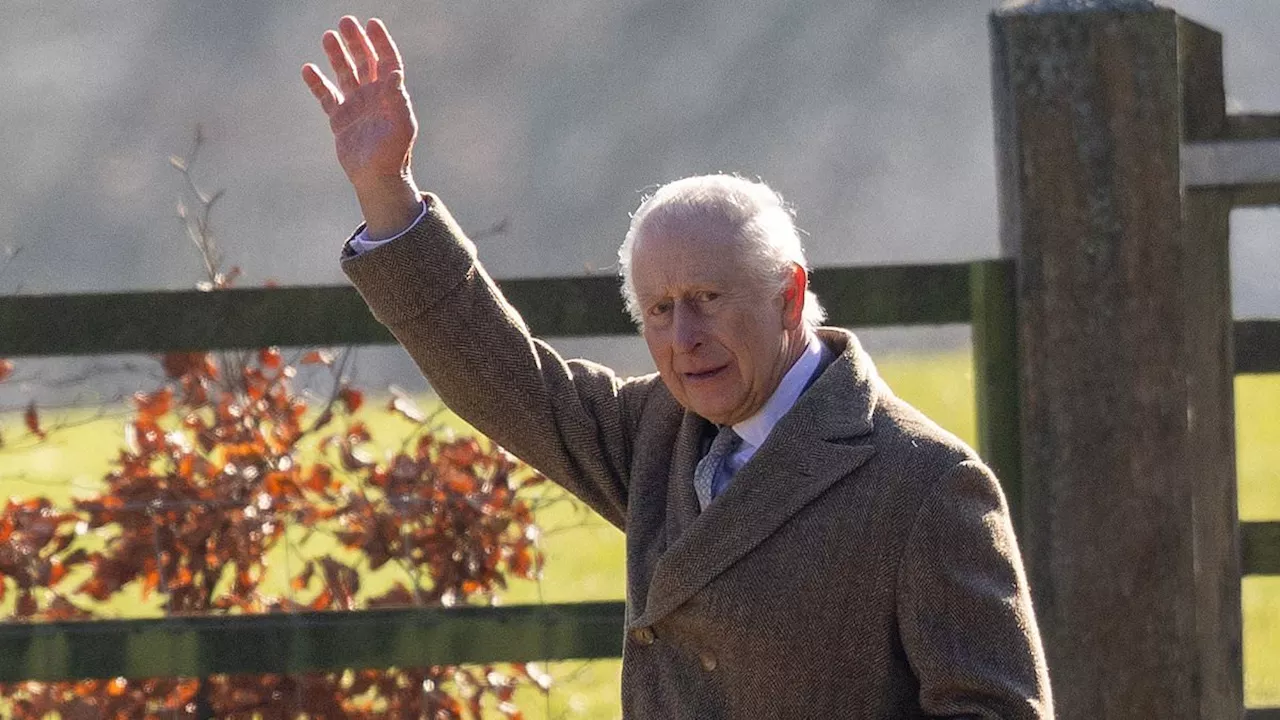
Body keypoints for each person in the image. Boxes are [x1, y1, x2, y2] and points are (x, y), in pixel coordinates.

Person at [303, 16, 1053, 719]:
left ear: (789, 296)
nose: (683, 336)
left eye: (707, 299)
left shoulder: (924, 482)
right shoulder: (658, 431)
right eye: (659, 310)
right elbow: (501, 375)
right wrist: (385, 189)